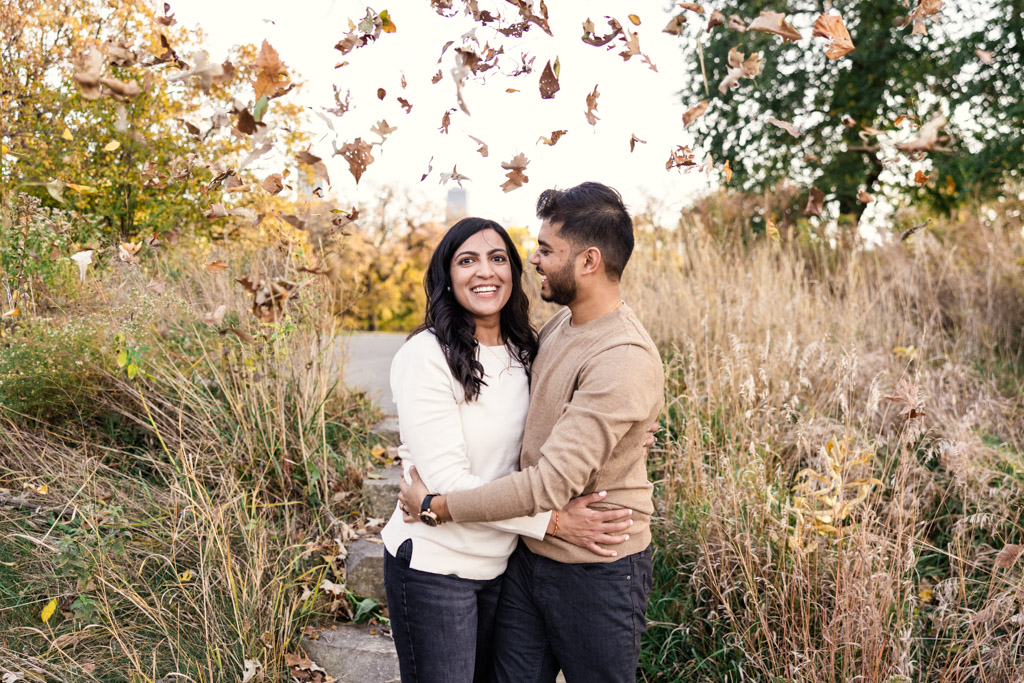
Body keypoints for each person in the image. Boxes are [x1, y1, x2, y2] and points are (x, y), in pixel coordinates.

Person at [399, 182, 665, 683]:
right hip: (527, 561)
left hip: (596, 565)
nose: (534, 259)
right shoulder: (559, 327)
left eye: (546, 249)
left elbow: (547, 486)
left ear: (587, 261)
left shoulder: (622, 357)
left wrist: (439, 506)